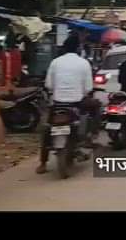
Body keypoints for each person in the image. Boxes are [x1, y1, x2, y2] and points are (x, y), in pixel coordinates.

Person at [37, 35, 95, 173]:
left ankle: (43, 163)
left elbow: (49, 85)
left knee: (47, 128)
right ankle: (89, 138)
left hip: (58, 103)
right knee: (95, 109)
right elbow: (88, 88)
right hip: (76, 102)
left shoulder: (55, 62)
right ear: (78, 48)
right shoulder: (84, 63)